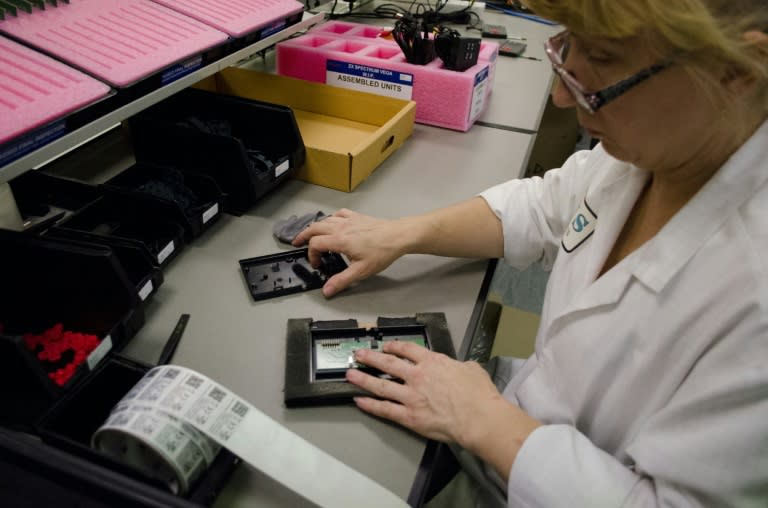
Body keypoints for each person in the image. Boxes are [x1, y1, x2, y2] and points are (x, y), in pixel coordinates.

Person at [292, 0, 768, 505]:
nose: (563, 95)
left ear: (735, 70)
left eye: (603, 59)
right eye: (568, 41)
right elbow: (543, 207)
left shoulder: (752, 291)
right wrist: (402, 235)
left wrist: (487, 422)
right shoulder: (664, 150)